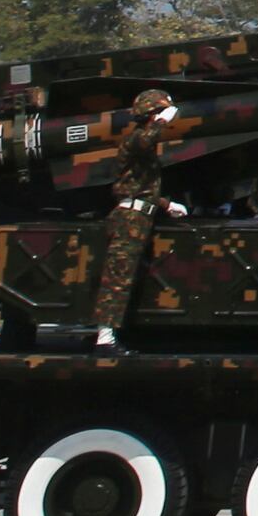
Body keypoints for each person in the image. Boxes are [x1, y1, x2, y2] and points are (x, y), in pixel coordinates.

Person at [90, 88, 181, 349]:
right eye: (160, 111)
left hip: (140, 216)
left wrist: (166, 205)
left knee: (129, 277)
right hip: (129, 218)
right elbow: (145, 141)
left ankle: (117, 332)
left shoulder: (145, 144)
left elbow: (140, 186)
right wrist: (164, 119)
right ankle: (104, 340)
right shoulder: (135, 140)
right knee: (118, 276)